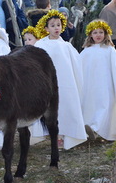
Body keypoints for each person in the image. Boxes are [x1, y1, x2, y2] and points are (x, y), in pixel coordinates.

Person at [34, 9, 87, 149]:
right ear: (46, 28)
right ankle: (54, 135)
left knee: (65, 108)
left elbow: (75, 64)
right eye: (52, 25)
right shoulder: (41, 45)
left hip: (65, 84)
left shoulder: (67, 46)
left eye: (58, 25)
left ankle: (64, 135)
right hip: (48, 85)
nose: (56, 28)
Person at [79, 20, 116, 141]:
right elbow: (80, 67)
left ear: (106, 34)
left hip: (106, 84)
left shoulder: (109, 50)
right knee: (91, 105)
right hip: (90, 86)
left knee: (106, 104)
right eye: (95, 32)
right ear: (90, 35)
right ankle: (91, 129)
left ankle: (101, 129)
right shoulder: (86, 52)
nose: (98, 35)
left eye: (101, 32)